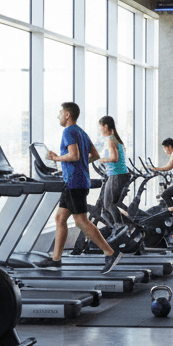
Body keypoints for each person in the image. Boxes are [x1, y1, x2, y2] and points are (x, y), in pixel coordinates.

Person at [41, 102, 121, 273]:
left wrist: (56, 159)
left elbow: (74, 155)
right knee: (60, 218)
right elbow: (95, 155)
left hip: (74, 183)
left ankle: (110, 253)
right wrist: (81, 164)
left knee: (80, 221)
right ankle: (56, 259)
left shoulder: (68, 131)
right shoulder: (81, 132)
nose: (58, 116)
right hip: (77, 181)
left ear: (67, 114)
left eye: (60, 113)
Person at [97, 115, 129, 225]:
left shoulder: (110, 140)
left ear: (106, 126)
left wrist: (101, 160)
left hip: (116, 175)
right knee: (114, 203)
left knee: (109, 204)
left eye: (100, 127)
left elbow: (114, 158)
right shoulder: (115, 139)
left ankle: (120, 227)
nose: (100, 130)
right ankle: (124, 225)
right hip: (119, 174)